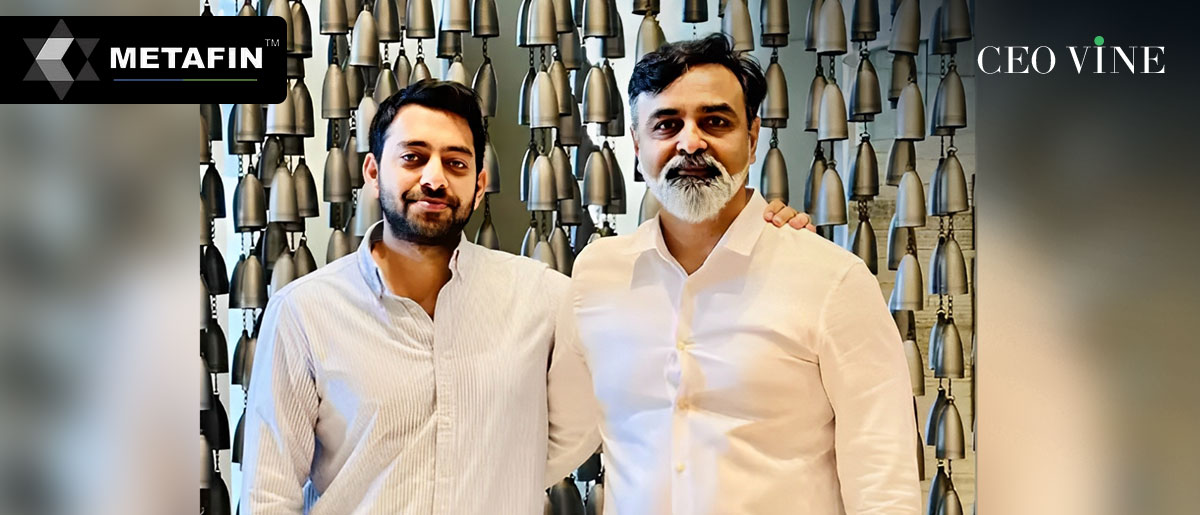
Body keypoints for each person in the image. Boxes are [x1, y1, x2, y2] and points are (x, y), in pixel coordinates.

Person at [239, 80, 811, 514]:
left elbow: (583, 422)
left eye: (455, 163)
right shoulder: (305, 312)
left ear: (479, 183)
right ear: (372, 171)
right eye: (413, 157)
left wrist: (760, 235)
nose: (434, 179)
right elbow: (269, 491)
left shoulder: (544, 298)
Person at [563, 35, 922, 514]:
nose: (691, 142)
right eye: (667, 124)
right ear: (637, 144)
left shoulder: (831, 280)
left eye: (715, 121)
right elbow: (561, 430)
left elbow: (884, 484)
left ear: (752, 139)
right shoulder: (596, 276)